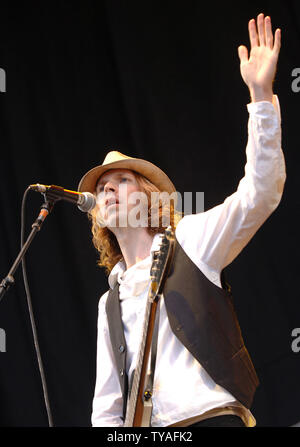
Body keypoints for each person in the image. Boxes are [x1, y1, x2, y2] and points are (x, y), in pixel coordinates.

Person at [78, 13, 286, 427]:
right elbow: (106, 411)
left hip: (212, 418)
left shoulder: (189, 240)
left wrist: (261, 97)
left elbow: (258, 193)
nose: (108, 189)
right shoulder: (109, 304)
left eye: (122, 180)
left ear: (149, 198)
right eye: (103, 187)